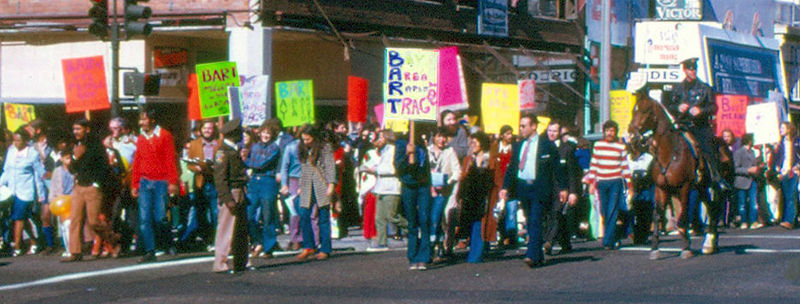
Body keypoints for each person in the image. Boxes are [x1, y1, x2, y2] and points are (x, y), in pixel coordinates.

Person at [499, 113, 565, 268]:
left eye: (524, 126)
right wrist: (505, 187)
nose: (521, 129)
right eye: (520, 126)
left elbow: (557, 168)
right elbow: (512, 168)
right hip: (523, 187)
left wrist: (563, 188)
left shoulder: (547, 145)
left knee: (535, 219)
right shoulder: (518, 146)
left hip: (539, 188)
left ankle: (532, 255)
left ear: (534, 126)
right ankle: (538, 254)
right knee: (530, 221)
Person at [62, 119, 120, 262]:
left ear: (86, 129)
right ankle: (75, 252)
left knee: (94, 221)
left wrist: (97, 183)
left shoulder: (96, 145)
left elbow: (103, 167)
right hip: (79, 186)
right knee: (75, 219)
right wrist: (75, 157)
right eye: (74, 129)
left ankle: (113, 238)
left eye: (78, 129)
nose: (75, 132)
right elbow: (73, 169)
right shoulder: (76, 146)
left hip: (92, 187)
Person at [665, 57, 724, 189]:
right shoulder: (677, 88)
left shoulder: (705, 88)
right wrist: (678, 107)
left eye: (694, 69)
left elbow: (713, 107)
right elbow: (669, 106)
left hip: (699, 126)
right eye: (690, 69)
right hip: (682, 125)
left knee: (708, 147)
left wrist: (701, 110)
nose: (693, 72)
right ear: (685, 70)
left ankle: (716, 176)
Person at [130, 109, 179, 263]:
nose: (141, 123)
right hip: (145, 181)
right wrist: (135, 183)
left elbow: (170, 159)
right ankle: (150, 250)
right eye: (140, 120)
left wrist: (172, 181)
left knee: (160, 217)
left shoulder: (164, 135)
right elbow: (137, 161)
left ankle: (168, 242)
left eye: (144, 120)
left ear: (152, 120)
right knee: (144, 218)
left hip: (161, 181)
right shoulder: (141, 138)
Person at [583, 120, 631, 250]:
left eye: (612, 131)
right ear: (604, 132)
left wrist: (629, 184)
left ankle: (608, 242)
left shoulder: (620, 147)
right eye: (607, 131)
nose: (609, 133)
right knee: (603, 210)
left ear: (615, 132)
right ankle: (614, 236)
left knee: (612, 210)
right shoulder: (598, 145)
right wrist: (592, 183)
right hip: (602, 182)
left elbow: (624, 166)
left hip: (615, 181)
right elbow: (594, 164)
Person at [0, 129, 46, 256]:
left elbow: (38, 174)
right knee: (23, 219)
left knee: (19, 218)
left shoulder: (32, 153)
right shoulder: (11, 151)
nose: (16, 143)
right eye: (14, 140)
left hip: (26, 191)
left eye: (19, 140)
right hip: (12, 190)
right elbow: (7, 171)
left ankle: (17, 247)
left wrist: (41, 193)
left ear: (26, 141)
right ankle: (34, 241)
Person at [212, 119, 250, 273]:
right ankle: (220, 263)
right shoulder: (223, 152)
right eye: (239, 131)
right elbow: (220, 178)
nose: (242, 134)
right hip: (231, 192)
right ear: (233, 134)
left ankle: (241, 262)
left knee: (241, 230)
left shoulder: (234, 150)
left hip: (240, 191)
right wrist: (227, 199)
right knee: (226, 229)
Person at [361, 129, 407, 252]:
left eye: (381, 137)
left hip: (391, 186)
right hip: (380, 187)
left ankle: (412, 229)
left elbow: (392, 168)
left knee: (391, 215)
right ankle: (382, 242)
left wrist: (375, 170)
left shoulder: (394, 150)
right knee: (379, 217)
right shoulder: (383, 151)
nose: (379, 140)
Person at [295, 126, 336, 261]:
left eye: (308, 139)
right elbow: (303, 167)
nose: (305, 141)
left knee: (323, 217)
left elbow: (330, 166)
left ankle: (325, 248)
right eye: (303, 139)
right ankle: (309, 246)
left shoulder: (325, 147)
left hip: (321, 184)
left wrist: (331, 184)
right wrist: (301, 185)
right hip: (307, 184)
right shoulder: (302, 148)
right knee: (304, 215)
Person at [395, 126, 432, 270]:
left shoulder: (422, 143)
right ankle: (413, 256)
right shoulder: (401, 143)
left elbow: (426, 165)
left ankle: (424, 256)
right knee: (412, 222)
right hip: (408, 185)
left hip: (423, 185)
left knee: (425, 219)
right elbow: (397, 166)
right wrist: (407, 154)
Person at [245, 119, 282, 258]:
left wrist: (247, 162)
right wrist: (248, 161)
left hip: (268, 180)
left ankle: (269, 247)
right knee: (248, 214)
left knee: (268, 215)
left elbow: (261, 163)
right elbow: (250, 161)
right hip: (255, 181)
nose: (265, 135)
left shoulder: (274, 148)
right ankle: (258, 240)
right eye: (263, 133)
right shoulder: (255, 147)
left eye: (268, 133)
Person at [543, 121, 580, 255]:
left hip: (562, 189)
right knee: (555, 216)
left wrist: (573, 192)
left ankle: (548, 242)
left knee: (556, 213)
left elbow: (572, 173)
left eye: (554, 131)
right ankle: (565, 243)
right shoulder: (543, 148)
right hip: (547, 189)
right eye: (549, 131)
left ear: (559, 133)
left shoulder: (567, 149)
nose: (551, 134)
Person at [183, 120, 221, 249]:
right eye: (205, 128)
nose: (207, 131)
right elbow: (189, 164)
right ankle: (207, 238)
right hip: (201, 182)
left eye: (210, 128)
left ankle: (217, 240)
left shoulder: (219, 144)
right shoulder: (194, 144)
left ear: (214, 130)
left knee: (216, 213)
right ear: (201, 130)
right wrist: (196, 168)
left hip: (215, 182)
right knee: (201, 213)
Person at [457, 131, 494, 263]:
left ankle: (475, 255)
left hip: (485, 196)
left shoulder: (490, 159)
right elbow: (463, 177)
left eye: (475, 142)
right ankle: (477, 251)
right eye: (471, 142)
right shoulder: (468, 159)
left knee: (481, 224)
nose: (472, 145)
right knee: (472, 224)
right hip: (471, 196)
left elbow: (495, 179)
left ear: (482, 143)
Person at [427, 127, 461, 260]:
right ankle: (440, 244)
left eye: (444, 137)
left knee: (437, 218)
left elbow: (457, 171)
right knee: (434, 218)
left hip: (444, 190)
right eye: (439, 136)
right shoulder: (428, 151)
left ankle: (433, 247)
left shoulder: (449, 151)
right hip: (429, 190)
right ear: (434, 137)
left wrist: (448, 181)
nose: (442, 139)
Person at [490, 125, 516, 248]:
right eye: (507, 134)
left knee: (511, 211)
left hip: (512, 185)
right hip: (497, 184)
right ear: (502, 135)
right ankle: (502, 235)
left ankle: (511, 237)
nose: (510, 136)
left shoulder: (515, 148)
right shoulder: (494, 148)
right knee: (499, 212)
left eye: (511, 133)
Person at [770, 122, 799, 229]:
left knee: (791, 195)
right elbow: (777, 158)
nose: (781, 130)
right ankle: (790, 218)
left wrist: (798, 167)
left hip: (793, 171)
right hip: (783, 172)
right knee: (786, 196)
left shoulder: (796, 141)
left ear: (789, 129)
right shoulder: (780, 143)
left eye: (783, 128)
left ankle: (789, 220)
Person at [734, 134, 763, 229]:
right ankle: (743, 221)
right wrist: (748, 170)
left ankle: (754, 221)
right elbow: (735, 168)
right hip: (742, 181)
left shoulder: (752, 152)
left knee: (753, 202)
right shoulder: (739, 152)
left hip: (752, 180)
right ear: (749, 141)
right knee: (742, 203)